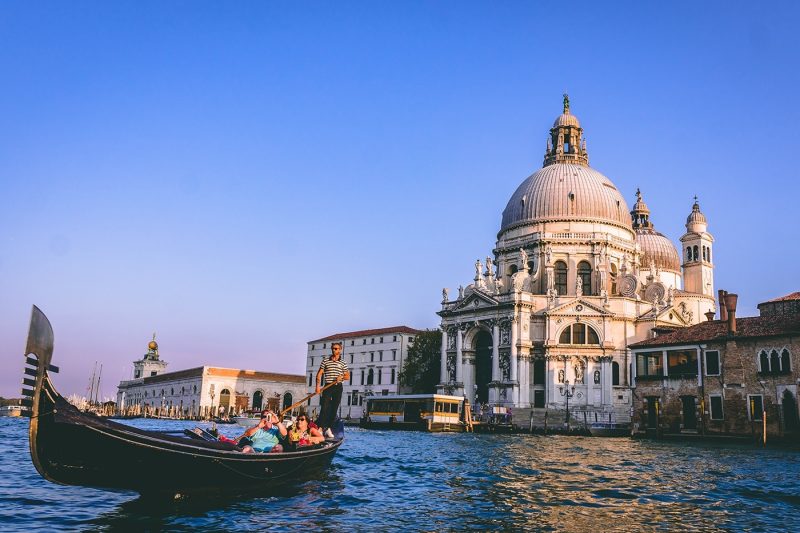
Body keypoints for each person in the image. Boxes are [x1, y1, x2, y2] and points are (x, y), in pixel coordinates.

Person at [315, 342, 350, 439]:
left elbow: (347, 376)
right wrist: (317, 387)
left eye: (336, 348)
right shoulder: (325, 361)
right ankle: (321, 428)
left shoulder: (343, 363)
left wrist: (341, 377)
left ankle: (329, 428)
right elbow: (319, 374)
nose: (334, 350)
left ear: (340, 350)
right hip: (328, 386)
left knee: (334, 408)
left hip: (338, 387)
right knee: (324, 407)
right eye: (333, 348)